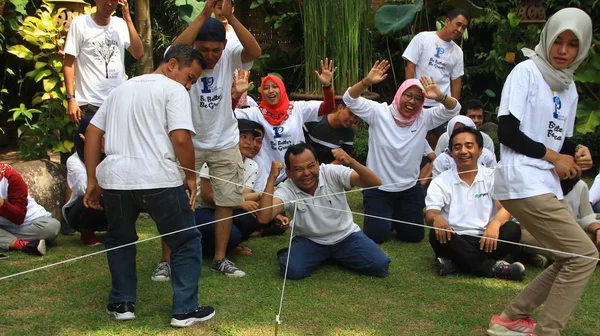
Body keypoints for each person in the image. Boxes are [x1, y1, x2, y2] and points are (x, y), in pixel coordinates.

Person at [83, 44, 215, 327]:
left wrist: (93, 180)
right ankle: (185, 310)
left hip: (116, 182)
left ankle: (122, 303)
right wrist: (190, 176)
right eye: (190, 77)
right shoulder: (173, 90)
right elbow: (180, 139)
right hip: (158, 179)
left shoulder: (119, 90)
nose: (190, 85)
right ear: (171, 65)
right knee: (185, 240)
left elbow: (92, 131)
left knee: (119, 239)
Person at [487, 8, 597, 336]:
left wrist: (577, 154)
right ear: (546, 38)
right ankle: (548, 331)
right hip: (522, 180)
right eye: (558, 41)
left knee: (570, 257)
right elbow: (507, 132)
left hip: (542, 182)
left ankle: (510, 319)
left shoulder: (570, 87)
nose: (563, 50)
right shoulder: (527, 72)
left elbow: (562, 141)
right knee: (584, 256)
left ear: (583, 48)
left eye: (572, 44)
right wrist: (555, 157)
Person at [171, 0, 262, 277]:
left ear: (223, 47)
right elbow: (173, 50)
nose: (210, 56)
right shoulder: (183, 58)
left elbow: (255, 50)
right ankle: (168, 259)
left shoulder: (231, 53)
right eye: (203, 50)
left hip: (224, 142)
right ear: (194, 48)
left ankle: (220, 258)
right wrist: (204, 15)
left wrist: (231, 18)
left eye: (215, 50)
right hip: (189, 140)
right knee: (175, 200)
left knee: (225, 201)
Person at [343, 60, 460, 244]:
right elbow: (349, 99)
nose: (412, 102)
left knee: (413, 237)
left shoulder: (424, 117)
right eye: (408, 95)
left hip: (409, 188)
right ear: (399, 95)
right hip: (378, 188)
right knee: (377, 237)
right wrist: (366, 81)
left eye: (418, 98)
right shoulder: (378, 112)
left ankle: (395, 217)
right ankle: (387, 218)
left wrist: (440, 97)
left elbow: (454, 109)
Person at [257, 143, 390, 280]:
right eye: (298, 169)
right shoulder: (287, 189)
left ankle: (333, 255)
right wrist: (271, 178)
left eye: (311, 166)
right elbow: (263, 217)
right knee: (292, 271)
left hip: (346, 237)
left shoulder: (332, 172)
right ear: (289, 173)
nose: (306, 173)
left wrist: (351, 161)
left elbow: (375, 183)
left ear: (318, 164)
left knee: (380, 265)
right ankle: (302, 253)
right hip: (310, 240)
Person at [426, 127, 524, 280]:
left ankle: (456, 263)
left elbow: (505, 208)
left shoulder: (492, 176)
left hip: (487, 239)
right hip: (455, 237)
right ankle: (493, 268)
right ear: (451, 152)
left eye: (469, 146)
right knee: (436, 234)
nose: (463, 151)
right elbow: (431, 212)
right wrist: (435, 218)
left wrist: (495, 224)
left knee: (512, 229)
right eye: (457, 147)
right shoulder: (441, 181)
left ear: (480, 150)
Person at [235, 60, 337, 186]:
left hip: (294, 173)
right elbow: (227, 115)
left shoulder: (297, 109)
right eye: (266, 88)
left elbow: (327, 108)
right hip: (266, 175)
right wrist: (236, 95)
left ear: (282, 89)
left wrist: (327, 86)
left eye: (275, 86)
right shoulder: (255, 113)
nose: (270, 91)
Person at [63, 0, 144, 123]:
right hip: (90, 104)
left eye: (114, 1)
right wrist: (71, 99)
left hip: (118, 103)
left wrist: (128, 18)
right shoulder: (80, 24)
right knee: (87, 141)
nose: (110, 4)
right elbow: (69, 63)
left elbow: (138, 53)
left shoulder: (120, 25)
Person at [402, 8, 469, 107]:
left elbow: (456, 82)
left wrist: (454, 107)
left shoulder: (458, 52)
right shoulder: (423, 38)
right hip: (418, 100)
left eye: (463, 27)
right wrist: (410, 95)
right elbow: (410, 67)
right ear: (447, 21)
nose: (460, 30)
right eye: (458, 24)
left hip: (441, 105)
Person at [62, 117, 108, 246]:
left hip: (107, 207)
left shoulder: (112, 154)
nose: (102, 139)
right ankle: (86, 232)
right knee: (96, 195)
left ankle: (121, 231)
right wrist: (93, 151)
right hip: (80, 211)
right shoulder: (74, 161)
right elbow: (85, 188)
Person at [0, 164, 60, 256]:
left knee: (53, 227)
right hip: (4, 227)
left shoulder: (10, 176)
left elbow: (19, 217)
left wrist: (2, 204)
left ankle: (8, 239)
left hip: (32, 223)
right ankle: (24, 245)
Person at [432, 115, 497, 178]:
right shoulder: (442, 159)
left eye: (469, 146)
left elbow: (495, 178)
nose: (463, 151)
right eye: (456, 131)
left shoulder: (486, 155)